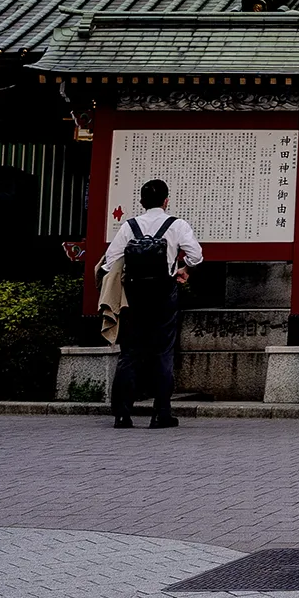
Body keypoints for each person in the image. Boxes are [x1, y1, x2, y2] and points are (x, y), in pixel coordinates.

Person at [99, 178, 202, 429]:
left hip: (133, 296)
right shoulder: (176, 225)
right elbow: (196, 255)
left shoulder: (129, 226)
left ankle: (122, 414)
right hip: (164, 294)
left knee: (130, 353)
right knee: (163, 353)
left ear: (142, 202)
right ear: (166, 201)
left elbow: (109, 261)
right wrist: (183, 268)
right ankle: (161, 414)